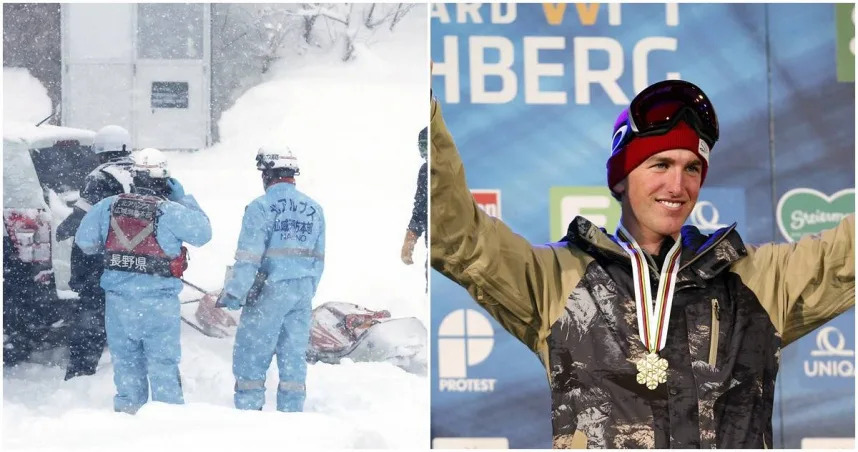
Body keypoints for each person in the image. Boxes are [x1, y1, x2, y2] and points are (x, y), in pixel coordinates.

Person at [429, 79, 855, 448]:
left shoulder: (756, 280)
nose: (678, 184)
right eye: (661, 164)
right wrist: (421, 106)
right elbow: (458, 236)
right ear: (621, 176)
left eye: (693, 168)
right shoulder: (559, 278)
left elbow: (847, 255)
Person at [75, 148, 211, 413]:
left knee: (126, 365)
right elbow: (203, 234)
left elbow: (85, 242)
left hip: (119, 305)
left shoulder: (108, 206)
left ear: (134, 177)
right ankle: (166, 426)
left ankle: (129, 421)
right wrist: (184, 199)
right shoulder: (170, 211)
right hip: (158, 305)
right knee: (163, 366)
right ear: (164, 180)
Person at [218, 144, 325, 412]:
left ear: (267, 174)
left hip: (268, 291)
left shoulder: (260, 207)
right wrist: (307, 290)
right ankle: (291, 415)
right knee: (293, 357)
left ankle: (249, 414)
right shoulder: (314, 208)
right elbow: (318, 259)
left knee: (251, 356)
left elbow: (248, 257)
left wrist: (234, 293)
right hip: (301, 293)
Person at [57, 125, 135, 380]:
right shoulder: (140, 173)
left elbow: (81, 216)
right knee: (126, 315)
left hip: (99, 261)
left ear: (101, 150)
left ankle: (81, 373)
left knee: (90, 315)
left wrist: (61, 230)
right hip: (133, 260)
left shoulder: (100, 177)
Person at [401, 127, 428, 292]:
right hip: (436, 252)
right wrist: (410, 238)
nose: (424, 151)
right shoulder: (426, 172)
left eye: (426, 145)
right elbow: (420, 210)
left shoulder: (457, 168)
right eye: (422, 146)